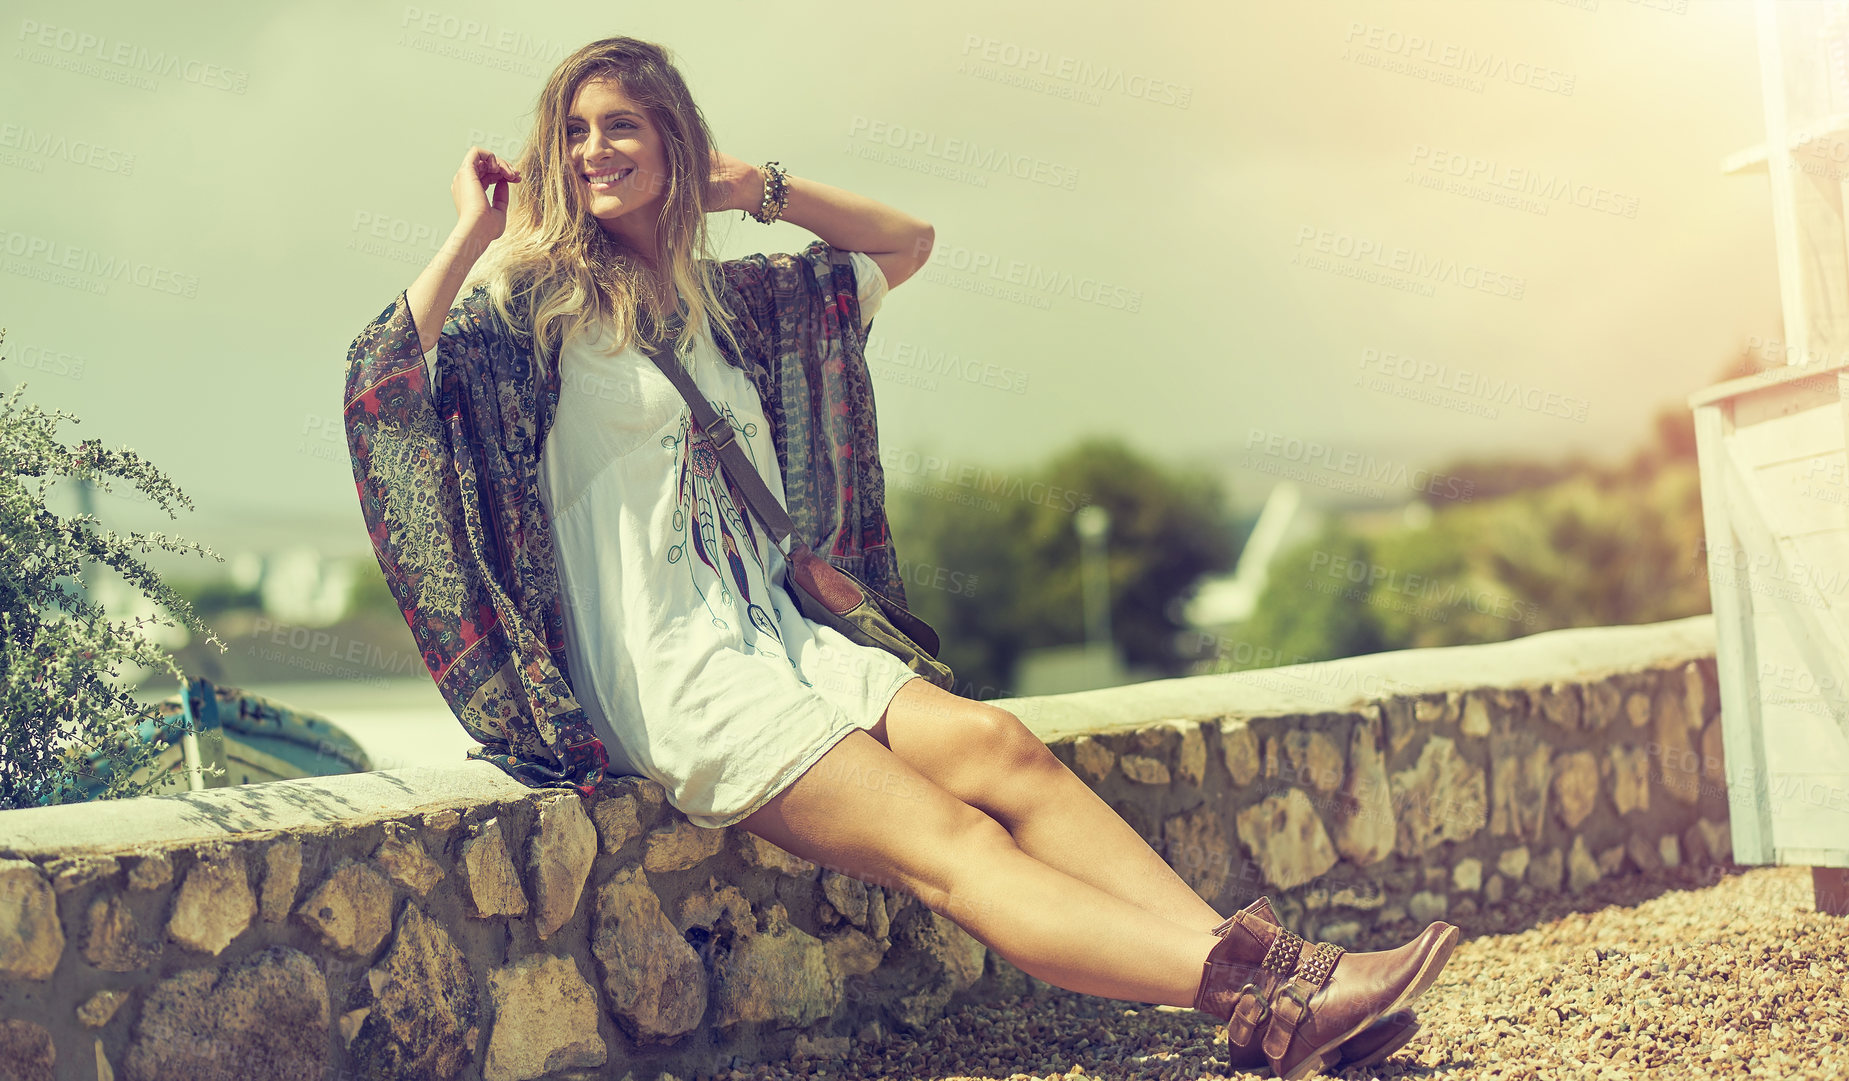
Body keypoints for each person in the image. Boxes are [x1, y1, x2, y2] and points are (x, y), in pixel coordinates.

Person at [341, 35, 1455, 1080]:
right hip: (675, 668)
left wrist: (753, 191)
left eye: (625, 125)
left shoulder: (734, 306)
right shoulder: (528, 309)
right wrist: (472, 232)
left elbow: (903, 243)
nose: (595, 151)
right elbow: (385, 378)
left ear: (675, 142)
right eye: (576, 130)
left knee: (1001, 747)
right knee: (952, 845)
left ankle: (1272, 988)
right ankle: (1265, 999)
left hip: (781, 633)